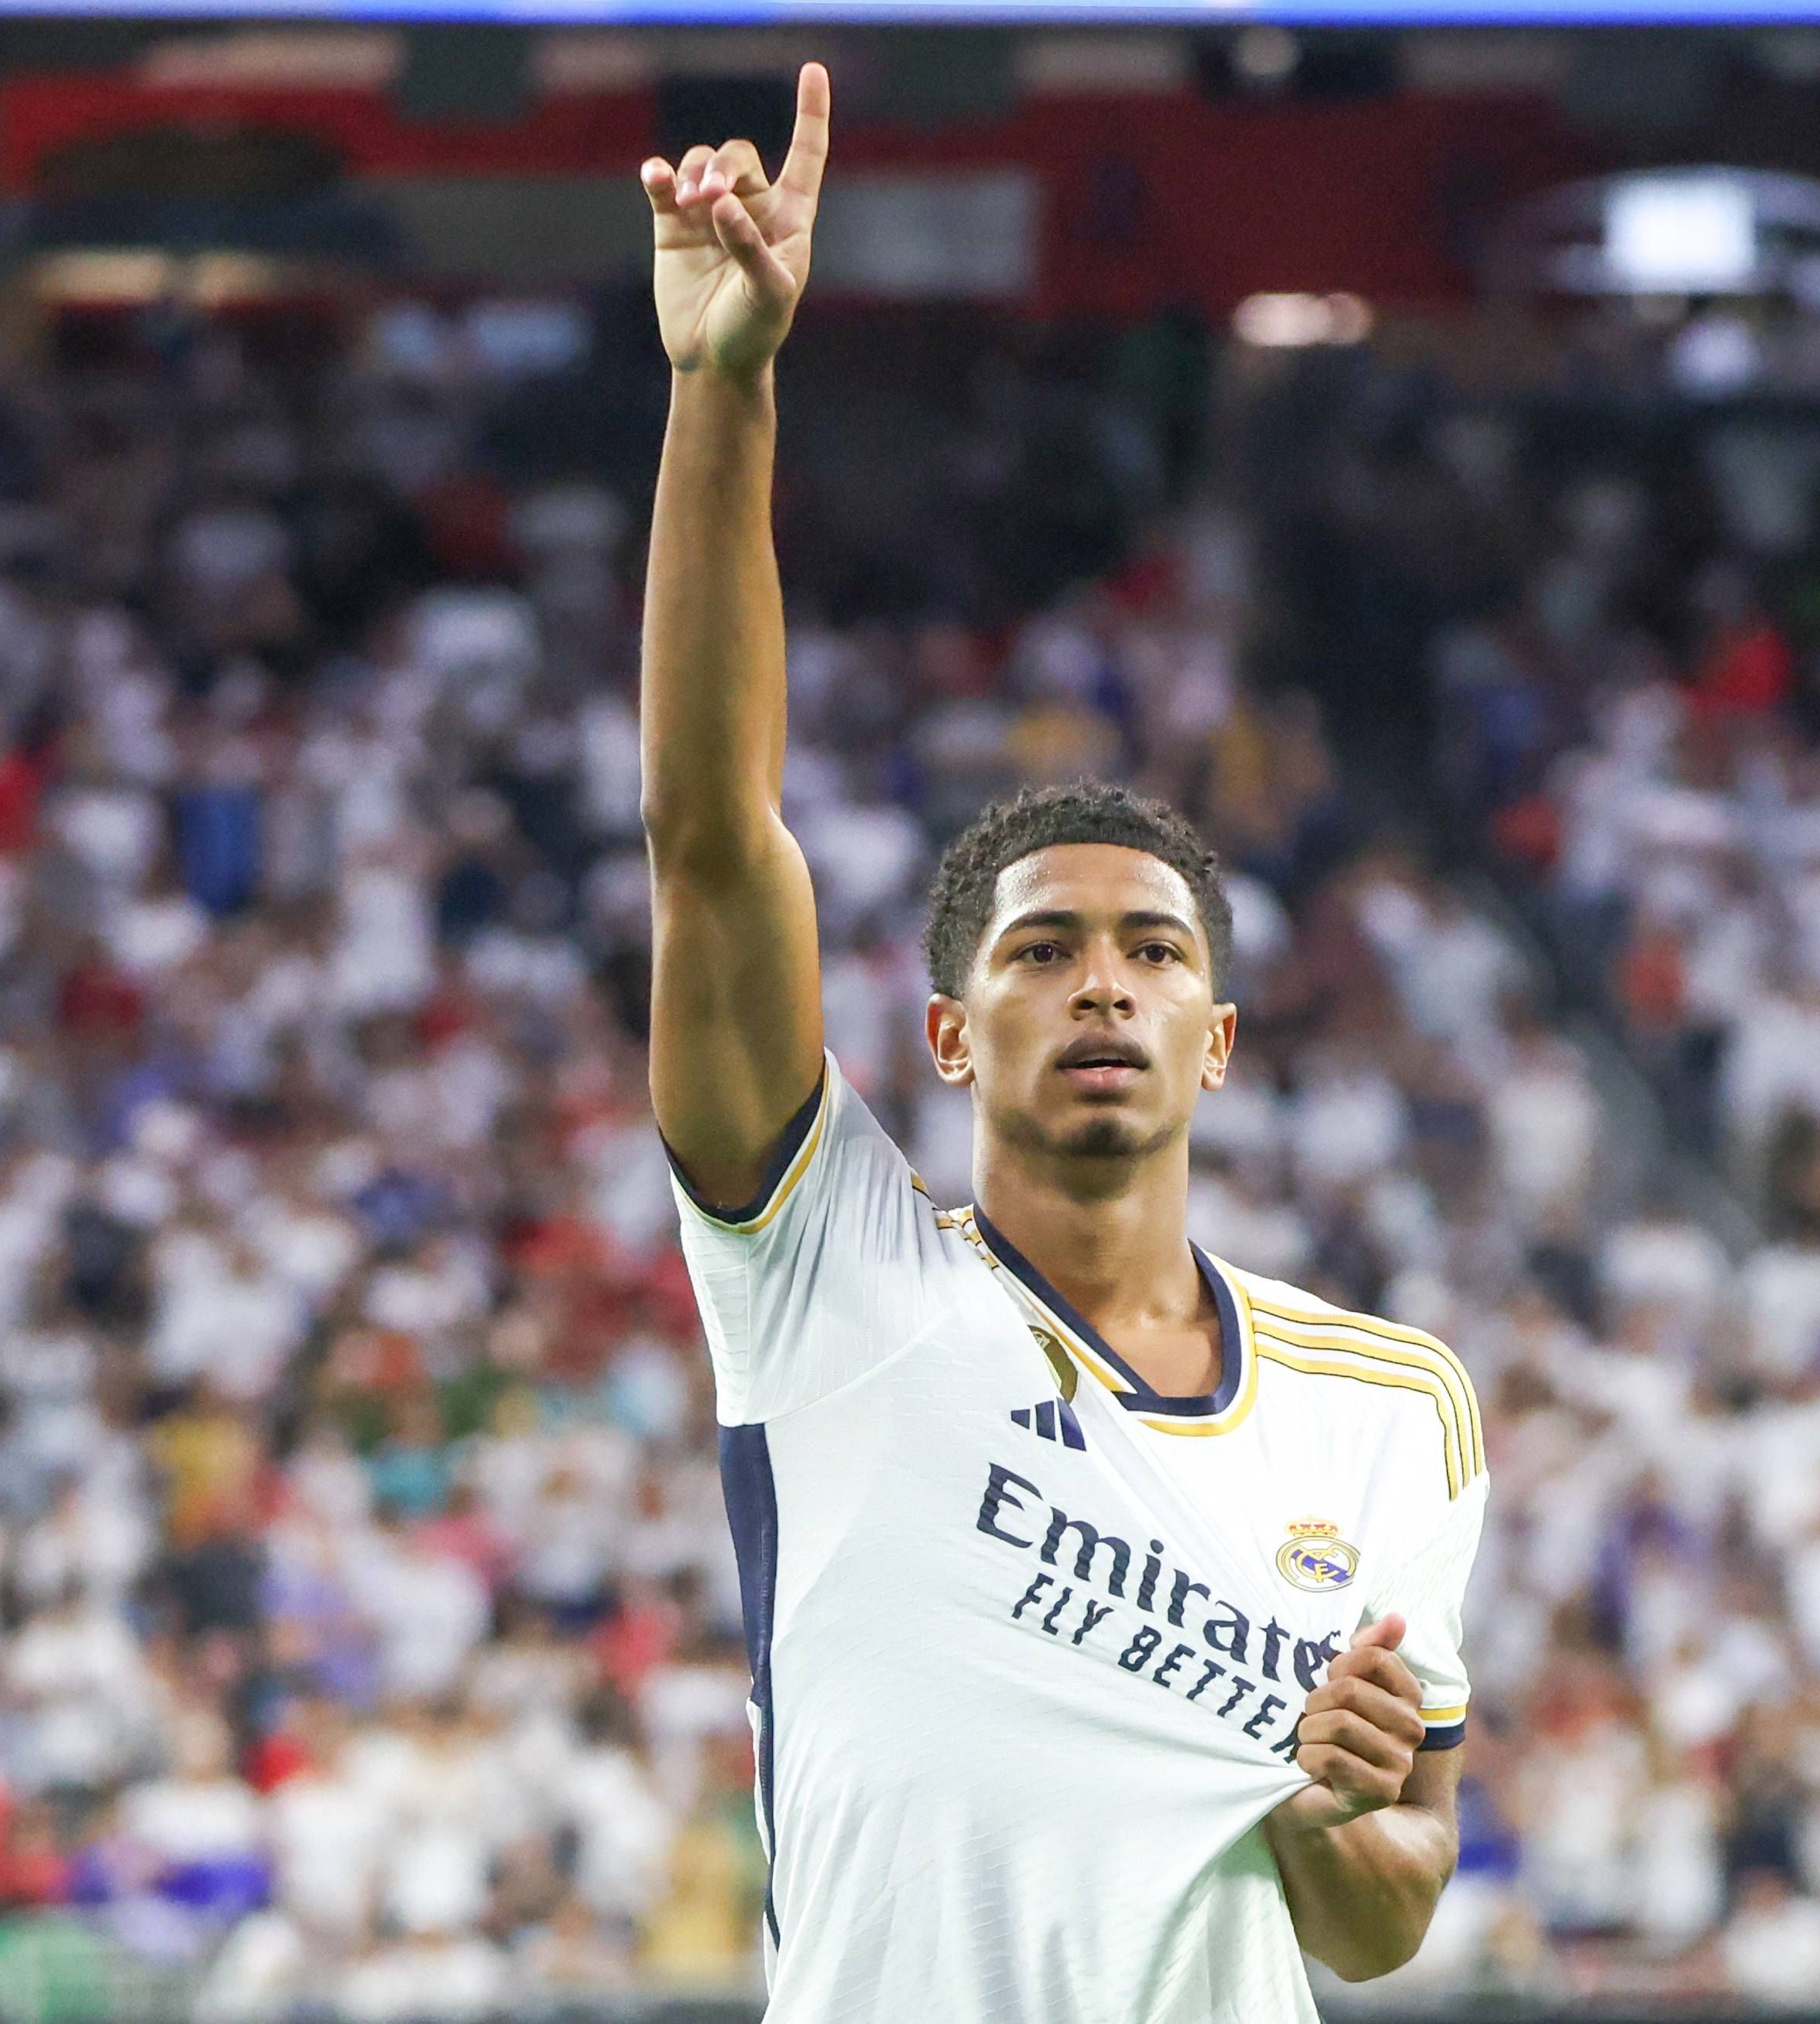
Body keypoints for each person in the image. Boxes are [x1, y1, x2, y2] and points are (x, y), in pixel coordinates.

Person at [636, 64, 1486, 2022]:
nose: (1101, 981)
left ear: (1219, 1040)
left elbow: (1380, 1908)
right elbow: (704, 838)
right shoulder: (828, 1282)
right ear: (945, 1029)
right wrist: (725, 386)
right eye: (1041, 951)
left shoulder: (1395, 1406)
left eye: (1150, 951)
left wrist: (1337, 1816)